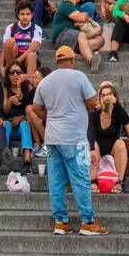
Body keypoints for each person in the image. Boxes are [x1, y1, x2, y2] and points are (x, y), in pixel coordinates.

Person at [31, 44, 108, 236]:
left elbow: (36, 107)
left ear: (57, 61)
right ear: (73, 60)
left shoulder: (45, 81)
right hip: (75, 138)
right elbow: (92, 102)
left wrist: (50, 117)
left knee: (56, 180)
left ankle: (61, 222)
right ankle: (87, 221)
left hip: (52, 137)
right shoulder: (79, 77)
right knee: (81, 178)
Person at [87, 80, 129, 194]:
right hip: (98, 148)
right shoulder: (94, 114)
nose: (106, 98)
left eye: (109, 94)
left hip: (115, 146)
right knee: (92, 144)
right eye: (103, 95)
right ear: (99, 98)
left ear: (115, 97)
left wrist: (127, 140)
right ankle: (92, 181)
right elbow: (90, 134)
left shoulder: (119, 112)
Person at [51, 0, 103, 72]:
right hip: (62, 36)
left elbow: (81, 19)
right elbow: (81, 18)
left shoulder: (76, 7)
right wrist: (85, 15)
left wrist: (82, 17)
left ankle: (77, 52)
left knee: (100, 39)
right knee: (82, 35)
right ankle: (92, 62)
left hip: (74, 38)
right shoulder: (66, 5)